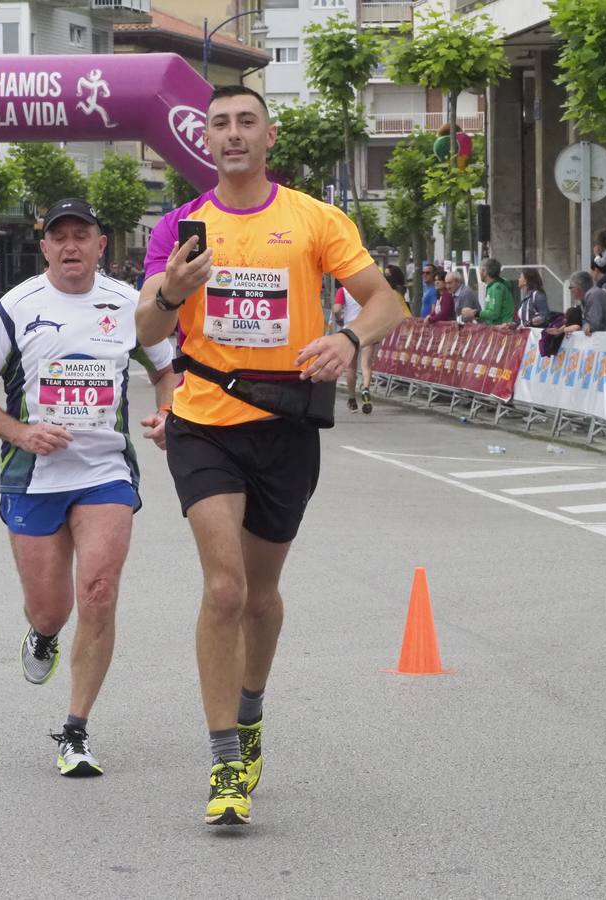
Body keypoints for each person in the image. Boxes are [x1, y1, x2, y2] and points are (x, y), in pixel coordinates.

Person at [135, 84, 402, 826]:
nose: (232, 134)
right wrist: (170, 292)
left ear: (269, 136)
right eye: (219, 124)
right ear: (206, 140)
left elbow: (385, 301)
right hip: (203, 422)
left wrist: (349, 339)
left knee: (259, 596)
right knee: (222, 591)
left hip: (285, 425)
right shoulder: (183, 225)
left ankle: (250, 709)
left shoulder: (315, 218)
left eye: (246, 121)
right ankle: (226, 762)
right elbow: (145, 323)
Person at [0, 198, 177, 779]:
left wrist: (168, 414)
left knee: (99, 592)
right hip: (33, 478)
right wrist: (20, 432)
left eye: (83, 235)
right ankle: (43, 633)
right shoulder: (15, 307)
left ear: (102, 244)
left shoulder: (131, 304)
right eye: (61, 237)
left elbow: (165, 369)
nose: (72, 246)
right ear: (45, 246)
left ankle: (75, 731)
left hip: (105, 472)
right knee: (52, 607)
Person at [333, 281, 371, 413]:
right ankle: (366, 388)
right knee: (366, 365)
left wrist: (339, 319)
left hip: (351, 330)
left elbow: (337, 309)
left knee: (351, 367)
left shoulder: (343, 291)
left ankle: (352, 400)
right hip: (367, 329)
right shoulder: (368, 288)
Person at [462, 258, 515, 325]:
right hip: (498, 327)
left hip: (502, 329)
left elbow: (494, 313)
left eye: (480, 270)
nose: (479, 272)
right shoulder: (494, 286)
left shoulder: (496, 287)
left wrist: (474, 313)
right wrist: (476, 315)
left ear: (484, 271)